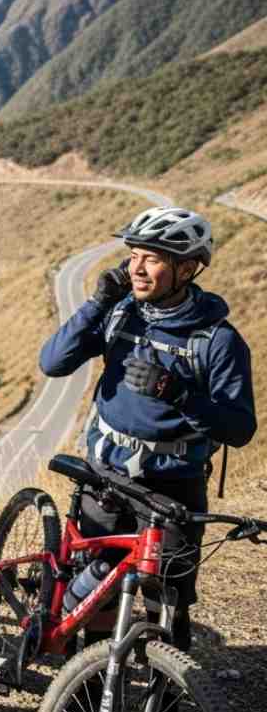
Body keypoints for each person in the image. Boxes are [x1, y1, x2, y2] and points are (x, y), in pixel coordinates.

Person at [39, 206, 255, 657]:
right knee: (100, 586)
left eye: (152, 258)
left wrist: (178, 394)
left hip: (173, 485)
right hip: (107, 474)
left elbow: (238, 429)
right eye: (133, 255)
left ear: (187, 268)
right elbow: (53, 363)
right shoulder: (122, 313)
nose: (136, 267)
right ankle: (87, 696)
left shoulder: (217, 341)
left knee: (168, 602)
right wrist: (98, 302)